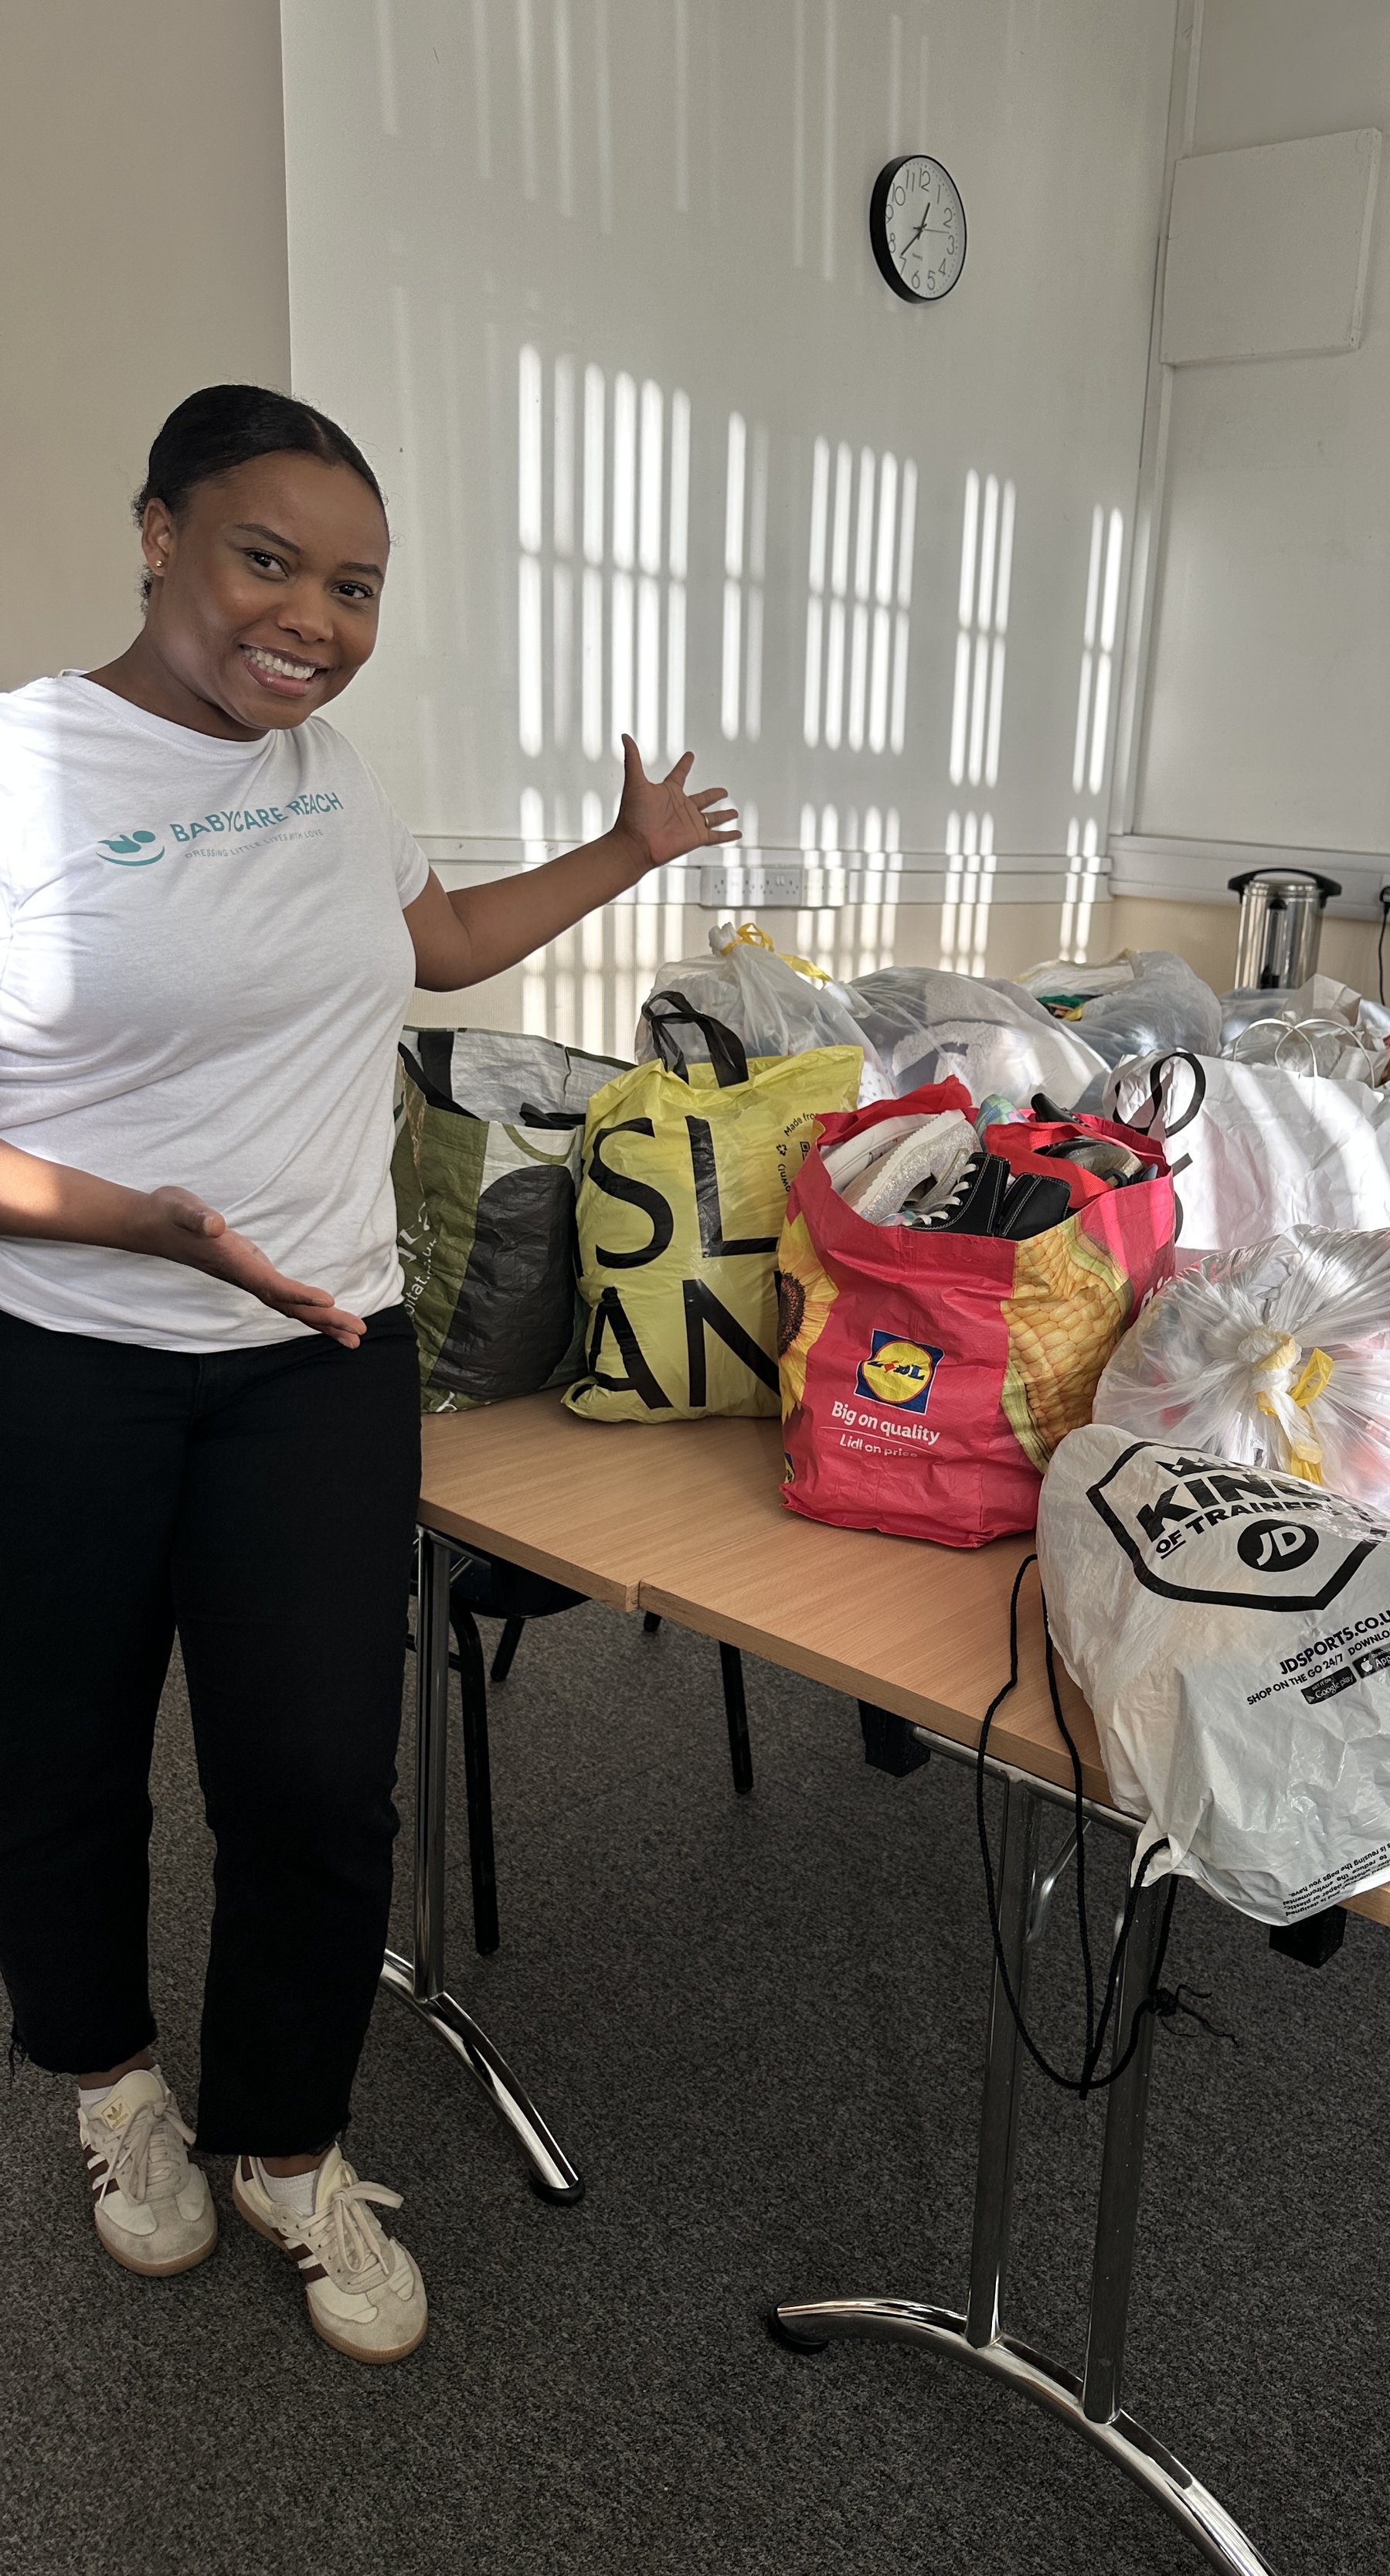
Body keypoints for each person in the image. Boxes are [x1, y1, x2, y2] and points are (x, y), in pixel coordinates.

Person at [0, 383, 738, 2363]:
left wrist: (620, 849)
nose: (313, 617)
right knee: (60, 1761)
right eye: (269, 559)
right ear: (155, 531)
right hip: (64, 1358)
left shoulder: (333, 774)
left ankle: (284, 2139)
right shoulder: (18, 768)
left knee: (317, 1781)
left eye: (353, 584)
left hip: (319, 1352)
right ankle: (108, 2089)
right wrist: (129, 1220)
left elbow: (435, 943)